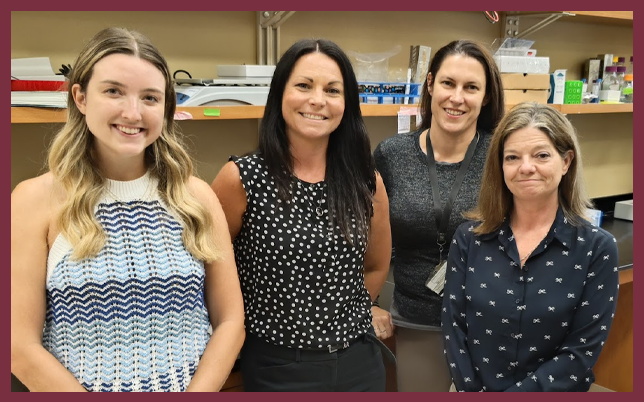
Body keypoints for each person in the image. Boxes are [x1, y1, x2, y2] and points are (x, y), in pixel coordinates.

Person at [10, 27, 245, 392]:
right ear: (81, 97)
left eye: (150, 97)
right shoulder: (33, 201)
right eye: (114, 91)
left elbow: (231, 321)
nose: (132, 112)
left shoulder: (195, 197)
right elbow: (18, 348)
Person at [212, 38, 392, 392]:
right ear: (280, 94)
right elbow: (211, 274)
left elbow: (375, 267)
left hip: (359, 362)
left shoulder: (365, 181)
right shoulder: (241, 179)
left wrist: (338, 317)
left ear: (346, 103)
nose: (317, 100)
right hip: (276, 365)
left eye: (333, 90)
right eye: (304, 86)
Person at [442, 102, 619, 392]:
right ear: (500, 166)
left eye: (541, 155)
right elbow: (453, 329)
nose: (526, 167)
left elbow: (581, 351)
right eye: (512, 157)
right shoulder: (469, 239)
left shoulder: (597, 249)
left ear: (566, 161)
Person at [372, 39, 505, 391]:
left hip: (490, 322)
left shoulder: (503, 155)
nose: (457, 97)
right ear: (430, 85)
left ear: (486, 96)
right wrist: (365, 302)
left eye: (471, 87)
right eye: (448, 83)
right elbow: (362, 237)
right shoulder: (391, 154)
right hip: (415, 320)